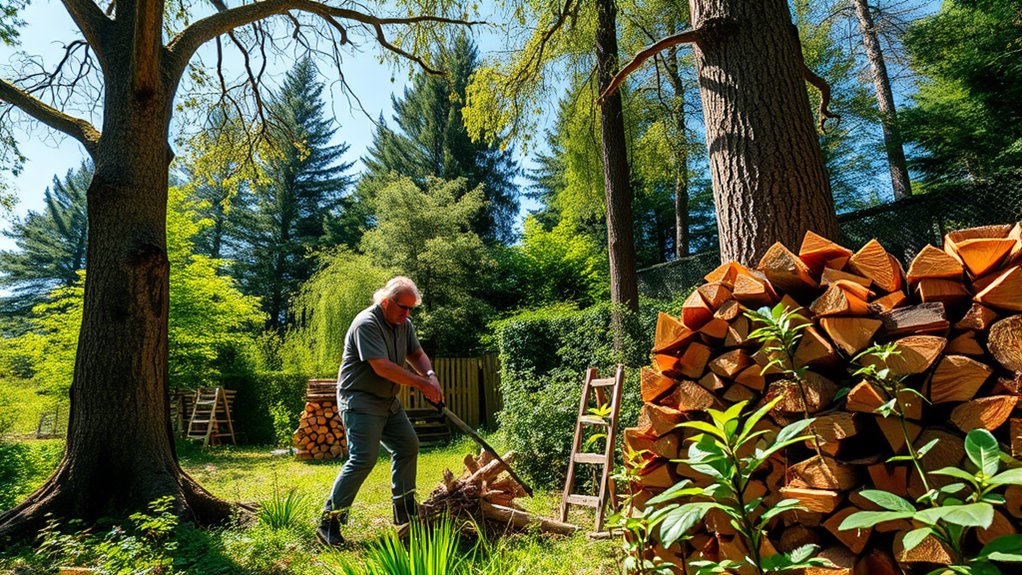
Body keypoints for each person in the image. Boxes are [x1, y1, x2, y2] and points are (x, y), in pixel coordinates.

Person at [316, 276, 445, 547]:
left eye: (411, 309)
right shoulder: (366, 323)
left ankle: (404, 511)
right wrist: (421, 383)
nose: (407, 314)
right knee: (364, 458)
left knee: (408, 445)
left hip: (387, 401)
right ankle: (329, 521)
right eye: (403, 307)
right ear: (386, 301)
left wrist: (430, 374)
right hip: (359, 399)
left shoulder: (404, 324)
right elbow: (382, 367)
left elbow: (417, 354)